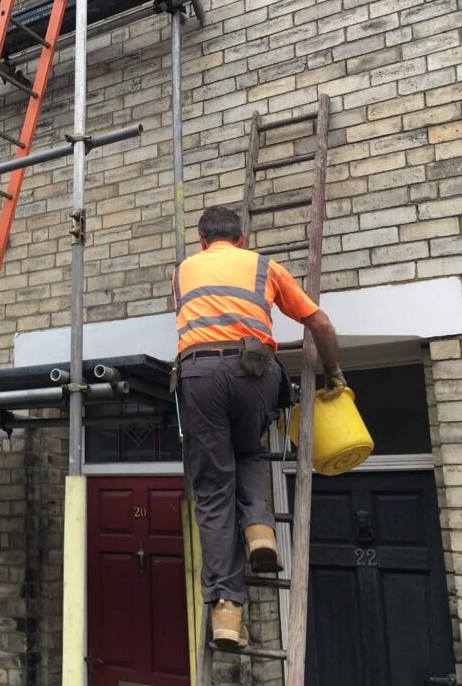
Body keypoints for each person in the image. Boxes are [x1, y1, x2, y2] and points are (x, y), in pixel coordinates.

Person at [173, 205, 345, 649]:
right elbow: (319, 322)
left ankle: (227, 610)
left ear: (202, 239)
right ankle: (260, 531)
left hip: (200, 376)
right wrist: (335, 374)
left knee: (213, 492)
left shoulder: (183, 272)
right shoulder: (263, 266)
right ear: (242, 236)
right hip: (255, 369)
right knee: (250, 451)